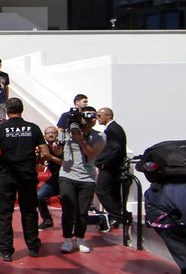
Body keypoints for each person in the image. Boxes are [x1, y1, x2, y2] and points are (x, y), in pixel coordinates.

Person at [0, 98, 47, 261]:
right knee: (29, 210)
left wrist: (0, 164)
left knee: (4, 212)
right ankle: (33, 246)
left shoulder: (0, 128)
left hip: (7, 174)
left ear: (7, 110)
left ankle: (6, 250)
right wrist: (37, 163)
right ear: (22, 109)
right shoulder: (33, 128)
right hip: (27, 174)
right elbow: (45, 152)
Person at [57, 106, 104, 254]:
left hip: (87, 178)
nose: (90, 122)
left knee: (83, 211)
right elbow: (58, 151)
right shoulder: (67, 132)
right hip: (67, 175)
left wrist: (81, 140)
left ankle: (79, 237)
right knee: (68, 208)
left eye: (93, 118)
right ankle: (67, 238)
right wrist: (59, 142)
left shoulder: (100, 136)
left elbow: (91, 154)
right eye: (86, 118)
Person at [94, 107, 129, 229]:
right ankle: (117, 216)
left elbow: (115, 148)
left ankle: (116, 215)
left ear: (108, 116)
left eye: (99, 115)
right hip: (113, 166)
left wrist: (105, 162)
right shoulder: (113, 128)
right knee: (113, 192)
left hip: (111, 167)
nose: (97, 118)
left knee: (101, 190)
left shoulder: (113, 129)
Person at [37, 125, 63, 230]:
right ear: (44, 136)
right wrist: (38, 159)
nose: (51, 134)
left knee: (68, 202)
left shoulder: (63, 146)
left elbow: (65, 163)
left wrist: (50, 157)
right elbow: (38, 167)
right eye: (48, 133)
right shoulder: (44, 148)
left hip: (66, 179)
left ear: (57, 135)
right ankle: (47, 220)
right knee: (39, 196)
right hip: (54, 179)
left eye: (53, 133)